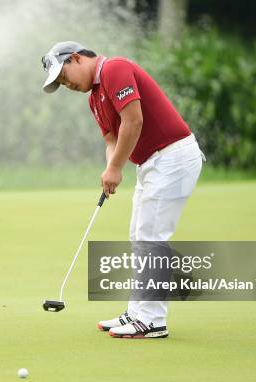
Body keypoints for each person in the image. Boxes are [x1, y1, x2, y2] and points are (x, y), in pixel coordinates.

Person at [41, 41, 205, 339]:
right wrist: (110, 168)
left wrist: (116, 168)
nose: (67, 85)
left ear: (76, 58)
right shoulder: (94, 99)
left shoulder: (115, 68)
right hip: (152, 163)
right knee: (139, 235)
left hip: (173, 157)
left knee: (151, 237)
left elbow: (134, 119)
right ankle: (138, 312)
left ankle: (153, 320)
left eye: (65, 77)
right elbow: (110, 140)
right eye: (61, 84)